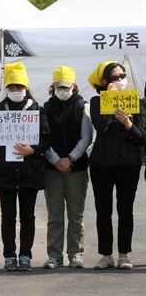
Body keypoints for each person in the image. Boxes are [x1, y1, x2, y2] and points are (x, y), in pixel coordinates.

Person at [0, 62, 51, 271]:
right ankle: (9, 256)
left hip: (29, 172)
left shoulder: (36, 110)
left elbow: (47, 138)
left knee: (27, 216)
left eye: (19, 87)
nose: (15, 91)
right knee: (8, 217)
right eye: (11, 87)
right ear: (6, 88)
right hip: (5, 173)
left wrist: (33, 150)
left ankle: (25, 255)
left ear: (26, 87)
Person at [87, 61, 145, 270]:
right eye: (115, 77)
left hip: (128, 163)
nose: (120, 80)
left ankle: (124, 255)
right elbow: (100, 127)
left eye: (122, 76)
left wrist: (129, 124)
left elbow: (141, 137)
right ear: (105, 81)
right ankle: (105, 255)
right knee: (103, 210)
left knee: (125, 210)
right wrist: (109, 103)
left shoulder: (135, 101)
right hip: (101, 163)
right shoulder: (96, 101)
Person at [42, 66, 93, 269]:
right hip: (52, 169)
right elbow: (43, 138)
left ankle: (75, 253)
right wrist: (56, 160)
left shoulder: (83, 106)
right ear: (52, 87)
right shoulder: (45, 108)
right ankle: (54, 255)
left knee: (76, 213)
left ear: (74, 86)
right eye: (59, 87)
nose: (63, 90)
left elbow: (86, 137)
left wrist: (70, 159)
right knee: (54, 214)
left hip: (77, 168)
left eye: (66, 86)